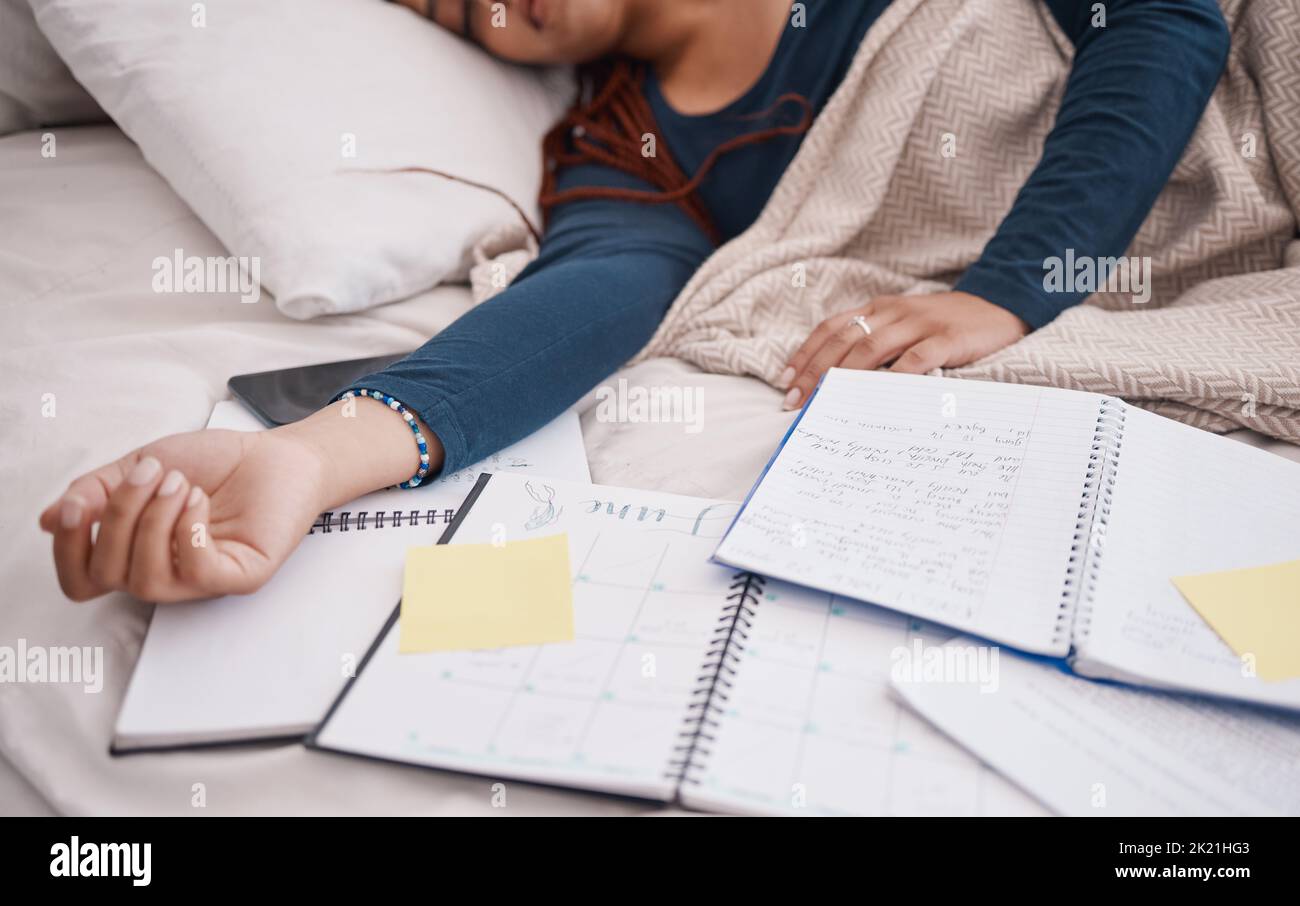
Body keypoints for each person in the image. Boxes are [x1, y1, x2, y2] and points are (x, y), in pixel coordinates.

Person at [39, 0, 1230, 603]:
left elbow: (1160, 13)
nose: (492, 1)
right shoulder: (631, 147)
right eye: (462, 18)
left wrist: (1009, 289)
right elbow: (593, 298)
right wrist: (314, 455)